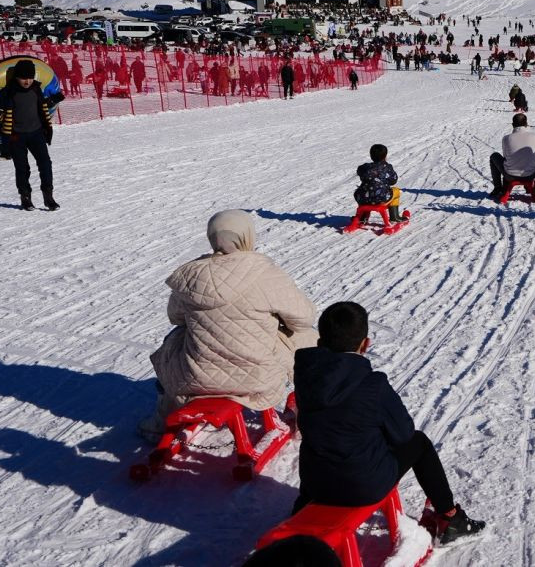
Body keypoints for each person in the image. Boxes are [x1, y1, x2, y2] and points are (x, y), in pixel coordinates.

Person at [294, 302, 485, 544]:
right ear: (365, 344)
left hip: (315, 484)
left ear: (320, 343)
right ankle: (451, 519)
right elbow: (403, 433)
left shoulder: (306, 377)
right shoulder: (373, 385)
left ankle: (302, 508)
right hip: (361, 487)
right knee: (419, 442)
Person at [149, 210, 317, 421]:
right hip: (258, 378)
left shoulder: (192, 275)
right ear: (247, 236)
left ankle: (163, 414)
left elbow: (175, 317)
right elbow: (304, 318)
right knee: (307, 336)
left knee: (176, 337)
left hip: (196, 377)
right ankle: (312, 407)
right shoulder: (264, 272)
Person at [0, 59, 64, 210]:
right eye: (23, 77)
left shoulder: (36, 89)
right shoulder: (8, 92)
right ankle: (25, 197)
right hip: (16, 136)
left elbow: (42, 106)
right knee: (22, 168)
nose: (27, 81)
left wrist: (52, 100)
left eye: (30, 77)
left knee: (45, 164)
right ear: (16, 77)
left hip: (36, 133)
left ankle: (48, 196)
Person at [490, 113, 535, 198]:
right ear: (526, 124)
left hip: (509, 175)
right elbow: (534, 154)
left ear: (513, 125)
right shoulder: (534, 136)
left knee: (494, 156)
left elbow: (506, 156)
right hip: (530, 174)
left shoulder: (506, 138)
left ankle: (498, 187)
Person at [354, 144, 404, 223]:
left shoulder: (365, 167)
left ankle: (362, 217)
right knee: (396, 191)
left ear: (371, 156)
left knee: (364, 191)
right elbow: (393, 180)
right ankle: (394, 216)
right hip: (381, 198)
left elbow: (359, 171)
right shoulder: (387, 167)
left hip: (363, 198)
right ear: (385, 156)